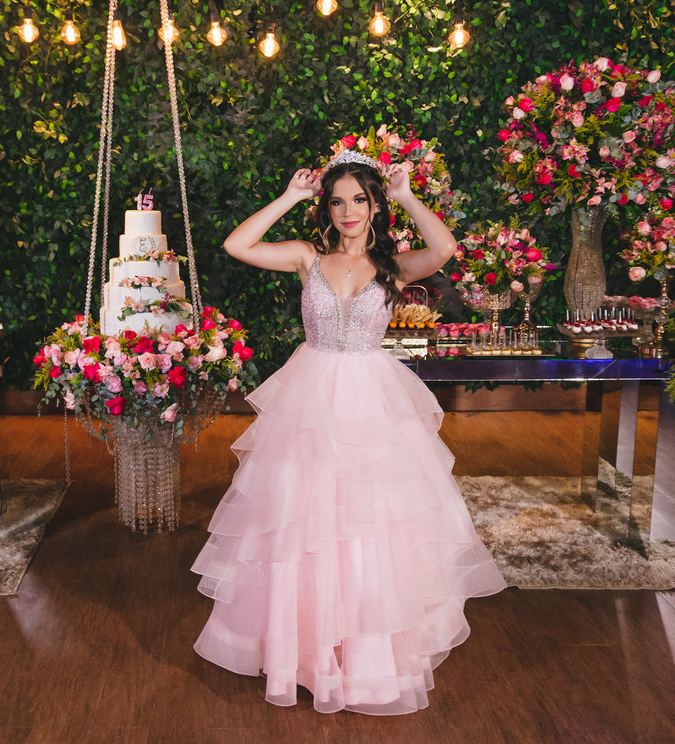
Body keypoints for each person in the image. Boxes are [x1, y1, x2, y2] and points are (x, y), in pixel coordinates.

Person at [192, 150, 506, 715]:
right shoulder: (307, 258)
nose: (348, 211)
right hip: (310, 398)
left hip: (370, 399)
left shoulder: (392, 266)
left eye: (359, 199)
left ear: (375, 205)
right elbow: (237, 246)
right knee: (300, 520)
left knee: (368, 524)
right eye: (337, 201)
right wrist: (290, 196)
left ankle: (363, 657)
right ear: (326, 209)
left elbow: (445, 251)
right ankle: (301, 650)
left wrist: (409, 196)